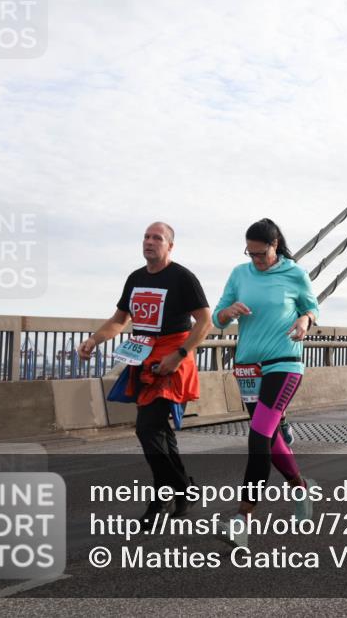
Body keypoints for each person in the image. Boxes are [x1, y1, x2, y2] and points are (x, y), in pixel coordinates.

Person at [78, 222, 212, 523]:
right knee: (159, 430)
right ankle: (180, 492)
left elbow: (205, 322)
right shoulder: (135, 278)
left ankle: (165, 497)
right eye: (146, 237)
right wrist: (94, 339)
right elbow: (119, 319)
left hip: (173, 359)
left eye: (157, 238)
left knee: (147, 428)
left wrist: (179, 356)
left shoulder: (182, 277)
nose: (149, 242)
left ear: (170, 246)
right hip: (144, 359)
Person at [212, 219, 319, 546]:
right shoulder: (239, 274)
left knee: (258, 437)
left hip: (284, 363)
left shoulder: (295, 274)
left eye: (261, 253)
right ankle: (300, 488)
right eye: (251, 253)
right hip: (248, 369)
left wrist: (304, 320)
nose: (256, 259)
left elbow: (312, 309)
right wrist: (229, 311)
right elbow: (217, 317)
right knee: (269, 439)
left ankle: (242, 520)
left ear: (275, 246)